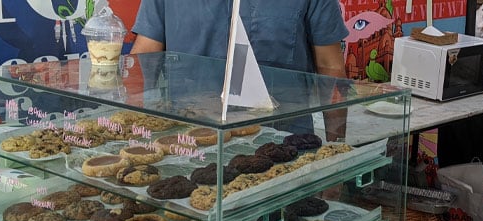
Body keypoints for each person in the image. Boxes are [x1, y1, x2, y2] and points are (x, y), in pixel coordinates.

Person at [129, 0, 349, 141]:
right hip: (190, 143)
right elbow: (144, 57)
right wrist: (130, 136)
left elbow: (330, 68)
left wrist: (337, 153)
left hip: (283, 146)